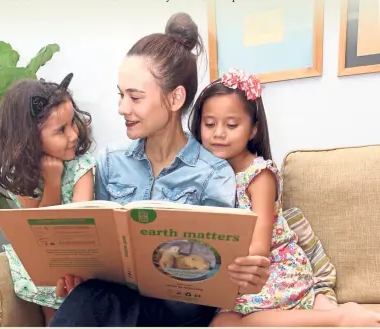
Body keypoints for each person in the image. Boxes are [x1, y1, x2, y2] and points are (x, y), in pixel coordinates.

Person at [49, 13, 270, 327]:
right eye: (121, 95)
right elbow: (100, 255)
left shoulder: (213, 173)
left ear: (175, 97)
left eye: (135, 97)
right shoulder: (111, 162)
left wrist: (245, 274)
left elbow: (214, 270)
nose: (122, 108)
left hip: (181, 308)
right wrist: (78, 274)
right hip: (122, 301)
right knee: (90, 297)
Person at [188, 67, 380, 327]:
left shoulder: (259, 174)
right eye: (210, 124)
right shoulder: (204, 174)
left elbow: (260, 245)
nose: (219, 132)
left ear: (253, 130)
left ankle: (338, 318)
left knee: (250, 323)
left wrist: (222, 262)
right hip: (235, 274)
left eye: (231, 124)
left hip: (271, 268)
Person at [0, 73, 96, 325]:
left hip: (77, 253)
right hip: (43, 256)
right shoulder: (21, 176)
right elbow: (41, 227)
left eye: (72, 123)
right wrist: (52, 181)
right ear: (29, 138)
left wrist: (56, 177)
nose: (73, 135)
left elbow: (76, 225)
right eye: (61, 130)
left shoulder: (81, 166)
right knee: (52, 315)